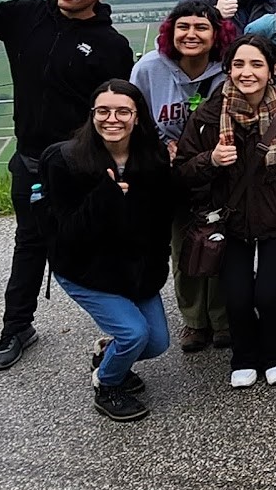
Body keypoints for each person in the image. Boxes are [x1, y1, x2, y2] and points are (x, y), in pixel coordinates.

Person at [0, 0, 135, 371]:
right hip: (30, 160)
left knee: (99, 246)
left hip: (81, 164)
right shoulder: (27, 14)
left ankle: (117, 335)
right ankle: (16, 328)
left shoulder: (111, 45)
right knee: (30, 245)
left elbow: (114, 110)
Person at [177, 38, 276, 390]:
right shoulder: (208, 117)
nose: (247, 72)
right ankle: (243, 356)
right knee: (238, 295)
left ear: (273, 71)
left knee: (268, 294)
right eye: (239, 64)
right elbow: (183, 170)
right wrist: (209, 161)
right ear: (228, 69)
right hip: (229, 222)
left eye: (257, 64)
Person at [38, 80, 176, 423]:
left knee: (157, 343)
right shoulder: (65, 161)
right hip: (86, 270)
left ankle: (107, 353)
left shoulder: (153, 157)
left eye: (122, 111)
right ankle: (107, 384)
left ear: (138, 117)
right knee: (134, 334)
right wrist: (106, 196)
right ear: (92, 115)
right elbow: (68, 235)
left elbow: (160, 219)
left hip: (136, 270)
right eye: (103, 111)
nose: (112, 119)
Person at [130, 0, 229, 353]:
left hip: (218, 170)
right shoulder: (149, 69)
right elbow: (134, 118)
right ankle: (193, 321)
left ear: (216, 34)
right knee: (183, 245)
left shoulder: (226, 71)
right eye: (183, 27)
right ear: (170, 32)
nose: (191, 34)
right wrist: (159, 151)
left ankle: (222, 318)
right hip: (170, 176)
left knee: (220, 243)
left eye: (201, 27)